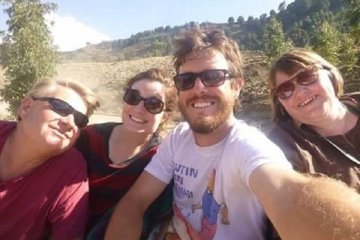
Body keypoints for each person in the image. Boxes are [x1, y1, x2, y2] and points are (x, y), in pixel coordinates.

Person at [105, 28, 360, 240]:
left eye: (213, 77)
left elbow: (289, 195)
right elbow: (133, 203)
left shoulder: (249, 146)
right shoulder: (178, 137)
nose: (199, 88)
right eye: (186, 81)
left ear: (236, 86)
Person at [76, 68, 177, 239]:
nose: (139, 108)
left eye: (153, 104)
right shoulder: (88, 138)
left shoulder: (160, 160)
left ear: (166, 116)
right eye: (133, 97)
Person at [0, 78, 99, 240]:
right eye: (60, 107)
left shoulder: (69, 172)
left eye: (80, 120)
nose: (70, 123)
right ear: (26, 107)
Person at [267, 49, 360, 192]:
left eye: (306, 76)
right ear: (280, 102)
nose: (300, 92)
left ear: (330, 74)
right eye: (285, 89)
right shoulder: (284, 146)